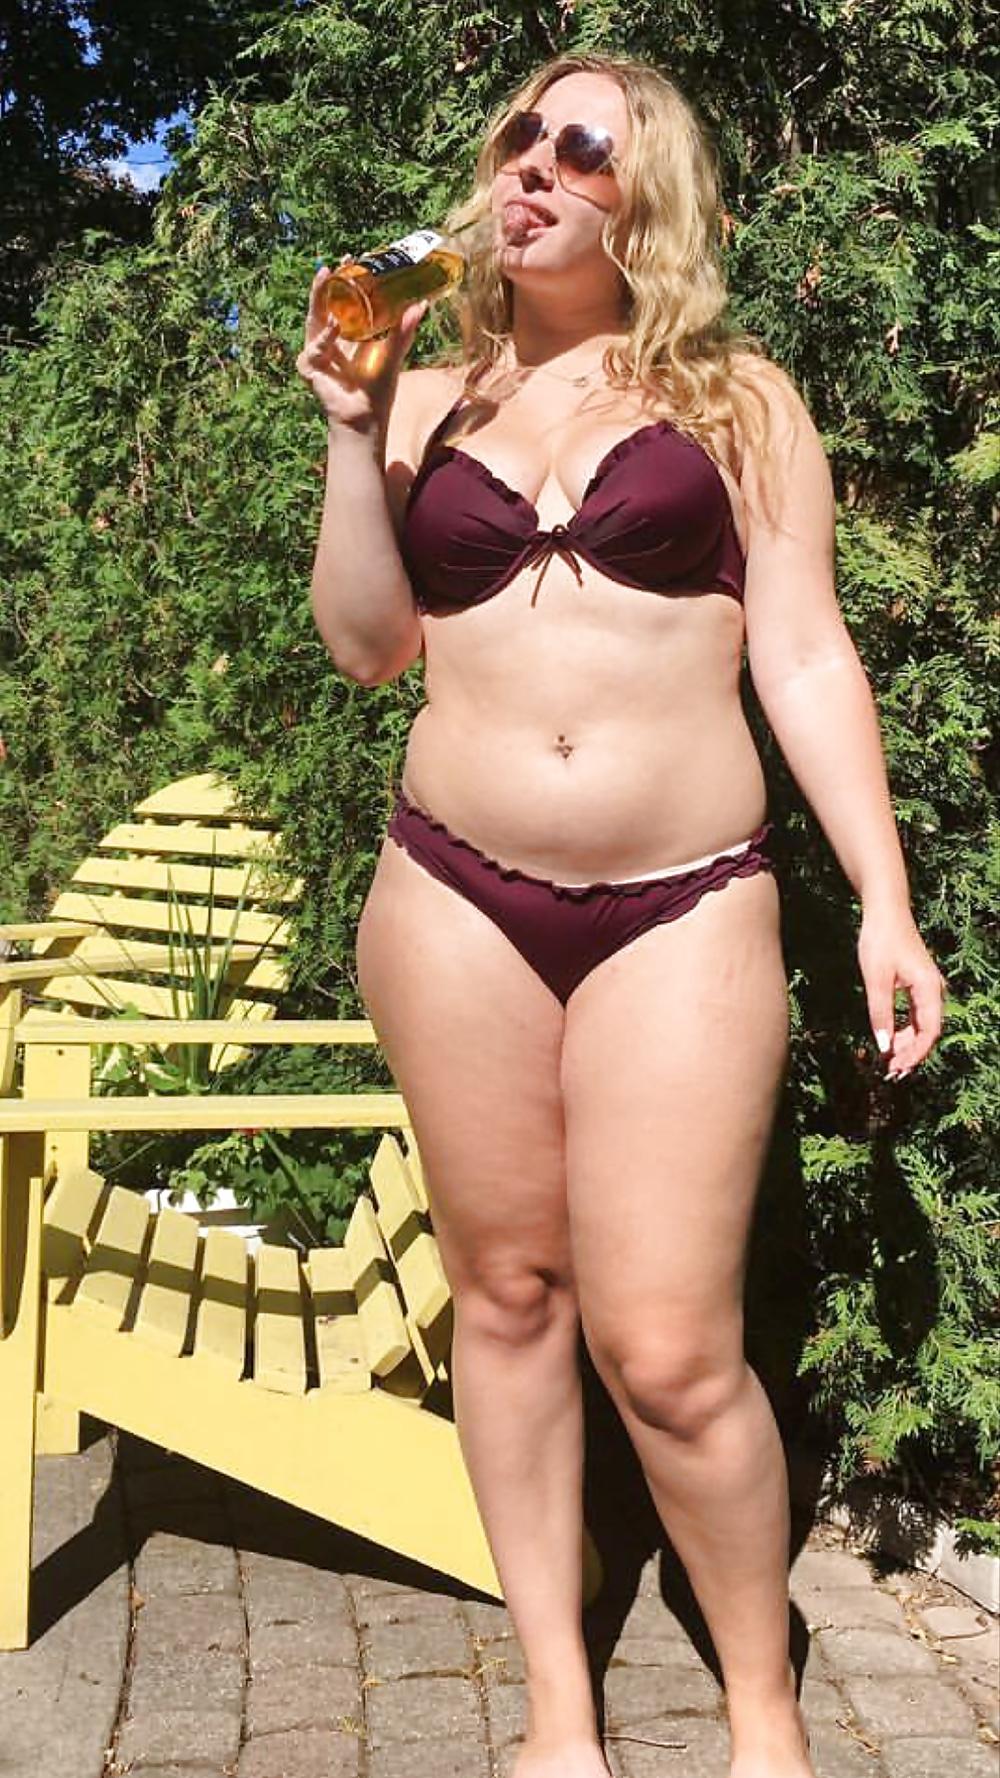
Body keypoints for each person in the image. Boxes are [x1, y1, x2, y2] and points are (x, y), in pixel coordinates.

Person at [297, 50, 946, 1778]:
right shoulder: (426, 392)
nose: (534, 166)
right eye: (522, 135)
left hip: (683, 908)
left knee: (668, 1349)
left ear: (644, 196)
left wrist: (883, 900)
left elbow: (803, 652)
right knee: (510, 1297)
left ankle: (763, 1714)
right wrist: (354, 436)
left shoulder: (738, 400)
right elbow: (367, 645)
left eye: (580, 147)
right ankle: (559, 1716)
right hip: (453, 897)